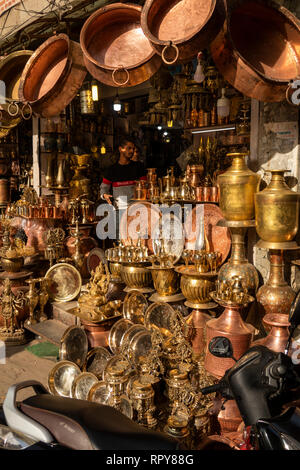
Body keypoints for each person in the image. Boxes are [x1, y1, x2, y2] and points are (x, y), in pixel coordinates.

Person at [99, 138, 146, 239]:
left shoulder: (139, 167)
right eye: (129, 148)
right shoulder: (111, 170)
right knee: (120, 240)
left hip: (137, 209)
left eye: (133, 149)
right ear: (121, 149)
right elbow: (103, 188)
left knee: (137, 239)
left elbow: (145, 186)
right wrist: (104, 195)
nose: (131, 151)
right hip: (119, 210)